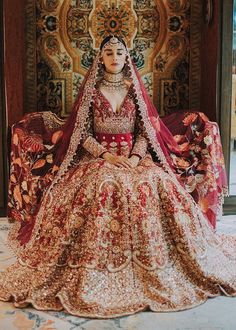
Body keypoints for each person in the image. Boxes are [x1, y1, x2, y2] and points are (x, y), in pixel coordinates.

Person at [0, 35, 235, 318]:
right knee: (100, 185)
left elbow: (145, 133)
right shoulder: (92, 91)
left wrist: (135, 158)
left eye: (119, 53)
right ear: (101, 58)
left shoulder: (135, 90)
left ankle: (155, 262)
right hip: (100, 158)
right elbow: (81, 134)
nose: (114, 57)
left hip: (133, 157)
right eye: (108, 53)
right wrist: (106, 156)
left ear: (127, 59)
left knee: (156, 182)